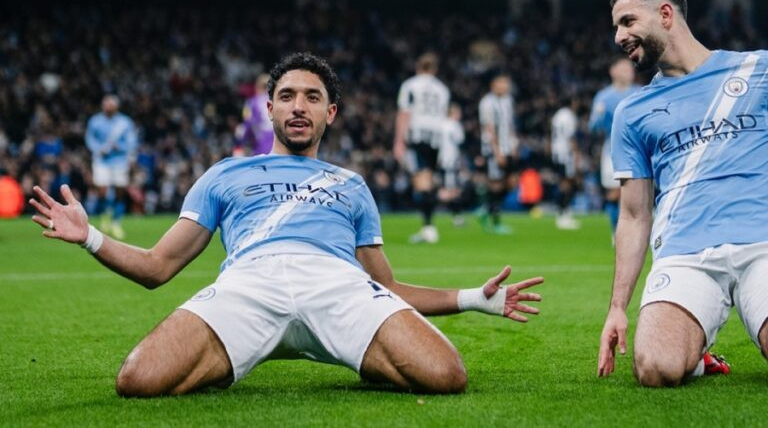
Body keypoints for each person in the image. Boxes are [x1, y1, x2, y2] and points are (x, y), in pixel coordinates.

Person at [30, 53, 544, 397]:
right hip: (250, 283)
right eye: (289, 96)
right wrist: (90, 237)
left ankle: (341, 345)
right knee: (138, 379)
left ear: (331, 113)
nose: (299, 106)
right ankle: (249, 345)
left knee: (447, 374)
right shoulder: (224, 174)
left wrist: (473, 298)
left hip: (337, 286)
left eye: (313, 97)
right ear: (270, 107)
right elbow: (156, 267)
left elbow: (386, 286)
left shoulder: (352, 184)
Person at [597, 0, 767, 387]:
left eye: (628, 22)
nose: (619, 36)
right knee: (655, 368)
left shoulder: (757, 71)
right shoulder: (633, 112)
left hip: (762, 244)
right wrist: (617, 307)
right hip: (685, 254)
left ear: (665, 14)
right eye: (616, 27)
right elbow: (634, 215)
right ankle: (699, 356)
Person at [393, 52, 451, 244]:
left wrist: (399, 142)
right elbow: (444, 116)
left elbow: (404, 113)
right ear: (435, 69)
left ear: (418, 67)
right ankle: (429, 226)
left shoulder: (410, 85)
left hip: (418, 136)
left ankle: (428, 228)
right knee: (428, 180)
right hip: (437, 138)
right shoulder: (442, 89)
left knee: (422, 182)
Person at [588, 57, 640, 243]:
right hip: (612, 150)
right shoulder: (604, 97)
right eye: (624, 68)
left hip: (637, 150)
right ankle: (615, 233)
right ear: (613, 72)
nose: (629, 71)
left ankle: (637, 232)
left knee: (636, 193)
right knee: (613, 192)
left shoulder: (640, 92)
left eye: (630, 68)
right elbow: (593, 127)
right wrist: (600, 116)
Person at [85, 94, 138, 239]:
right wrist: (98, 149)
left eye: (110, 105)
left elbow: (132, 142)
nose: (107, 107)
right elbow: (89, 138)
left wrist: (119, 147)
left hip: (120, 161)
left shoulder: (125, 122)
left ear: (116, 106)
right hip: (102, 161)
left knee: (120, 192)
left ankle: (116, 222)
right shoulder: (95, 121)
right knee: (102, 190)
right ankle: (105, 218)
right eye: (105, 105)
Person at [478, 75, 517, 234]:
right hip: (493, 150)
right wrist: (497, 151)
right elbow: (489, 128)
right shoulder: (487, 103)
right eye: (503, 84)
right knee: (496, 184)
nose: (506, 87)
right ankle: (495, 223)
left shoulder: (508, 101)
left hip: (508, 147)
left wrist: (514, 145)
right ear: (494, 85)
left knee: (512, 182)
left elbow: (510, 125)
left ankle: (486, 209)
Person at [550, 99, 580, 230]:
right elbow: (571, 137)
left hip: (556, 152)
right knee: (566, 184)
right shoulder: (569, 116)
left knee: (563, 183)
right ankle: (563, 214)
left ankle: (563, 213)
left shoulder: (557, 115)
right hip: (565, 153)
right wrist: (576, 154)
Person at [437, 103, 466, 227]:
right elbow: (460, 139)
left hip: (442, 160)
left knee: (448, 188)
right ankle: (456, 217)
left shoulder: (440, 124)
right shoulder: (455, 125)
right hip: (451, 161)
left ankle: (454, 215)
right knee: (453, 191)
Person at [233, 73, 274, 157]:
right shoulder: (278, 102)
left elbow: (247, 124)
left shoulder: (252, 102)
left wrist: (238, 144)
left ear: (257, 87)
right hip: (279, 148)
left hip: (261, 147)